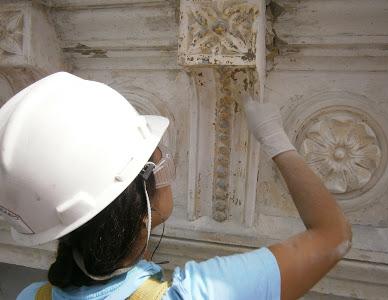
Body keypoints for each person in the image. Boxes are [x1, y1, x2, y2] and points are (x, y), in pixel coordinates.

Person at [0, 72, 352, 300]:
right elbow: (333, 235)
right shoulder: (204, 294)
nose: (166, 161)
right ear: (137, 207)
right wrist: (276, 140)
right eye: (155, 157)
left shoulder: (32, 296)